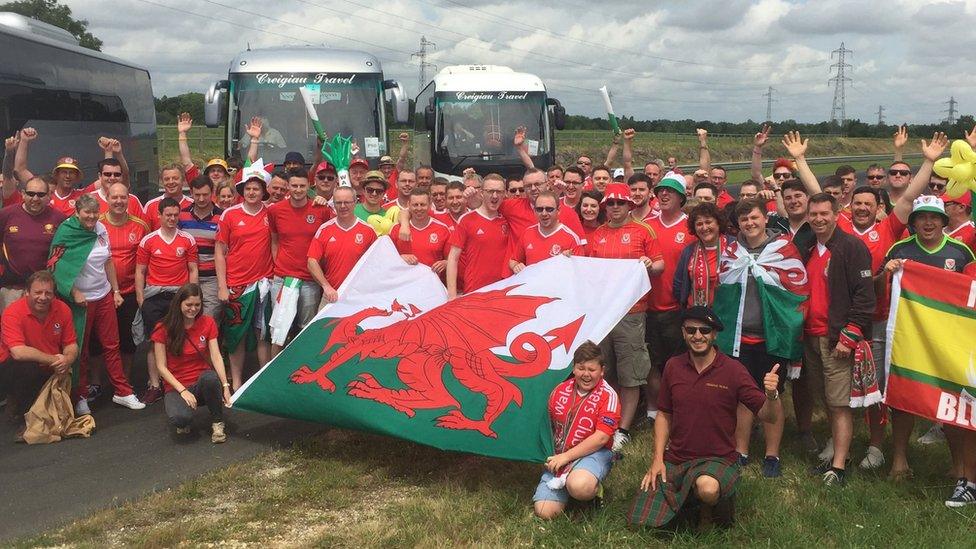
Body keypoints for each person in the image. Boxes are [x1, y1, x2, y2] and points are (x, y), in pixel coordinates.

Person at [633, 306, 781, 529]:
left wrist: (772, 395)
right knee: (641, 519)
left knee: (708, 488)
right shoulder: (673, 367)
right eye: (691, 330)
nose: (698, 336)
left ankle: (708, 505)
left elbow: (768, 416)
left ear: (714, 334)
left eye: (704, 330)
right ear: (683, 333)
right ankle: (690, 500)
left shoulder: (734, 370)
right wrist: (657, 459)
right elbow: (664, 413)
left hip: (717, 458)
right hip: (678, 457)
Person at [883, 196, 976, 504]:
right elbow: (879, 287)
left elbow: (970, 293)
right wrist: (888, 272)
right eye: (922, 217)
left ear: (943, 220)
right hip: (909, 337)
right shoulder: (900, 249)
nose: (928, 222)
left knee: (951, 399)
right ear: (914, 221)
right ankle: (899, 458)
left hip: (948, 340)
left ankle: (959, 465)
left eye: (934, 217)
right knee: (904, 395)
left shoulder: (960, 251)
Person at [718, 199, 809, 478]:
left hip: (773, 337)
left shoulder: (783, 249)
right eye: (744, 219)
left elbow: (797, 290)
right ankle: (741, 451)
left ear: (764, 218)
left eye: (754, 217)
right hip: (740, 337)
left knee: (772, 393)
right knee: (743, 396)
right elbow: (722, 289)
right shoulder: (732, 250)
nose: (749, 223)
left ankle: (772, 454)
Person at [48, 194, 145, 414]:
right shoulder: (67, 231)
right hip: (81, 301)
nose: (91, 217)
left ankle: (122, 391)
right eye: (87, 213)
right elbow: (55, 264)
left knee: (112, 345)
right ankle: (80, 395)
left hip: (103, 295)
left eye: (94, 213)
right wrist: (73, 291)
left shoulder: (101, 228)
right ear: (77, 212)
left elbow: (108, 261)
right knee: (80, 349)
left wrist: (116, 291)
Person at [585, 183, 664, 451]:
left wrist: (650, 265)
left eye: (620, 203)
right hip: (604, 313)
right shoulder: (598, 234)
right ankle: (607, 420)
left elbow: (660, 263)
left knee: (631, 372)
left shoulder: (644, 230)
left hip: (632, 312)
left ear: (630, 205)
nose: (615, 207)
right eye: (610, 203)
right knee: (607, 370)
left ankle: (623, 428)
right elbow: (589, 270)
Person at [803, 193, 875, 485]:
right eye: (814, 214)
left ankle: (839, 466)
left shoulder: (851, 247)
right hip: (810, 335)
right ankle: (836, 453)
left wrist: (849, 335)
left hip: (836, 339)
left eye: (824, 214)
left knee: (838, 403)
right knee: (826, 399)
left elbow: (865, 296)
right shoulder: (809, 246)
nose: (819, 219)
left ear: (836, 214)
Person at [533, 341, 621, 519]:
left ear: (602, 371)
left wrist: (566, 457)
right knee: (544, 512)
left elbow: (602, 438)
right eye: (581, 368)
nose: (586, 374)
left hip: (593, 453)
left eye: (592, 369)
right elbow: (544, 424)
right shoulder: (559, 390)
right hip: (560, 455)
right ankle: (567, 484)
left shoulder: (609, 395)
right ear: (573, 369)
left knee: (580, 486)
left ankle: (592, 491)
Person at [215, 165, 274, 391]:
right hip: (237, 284)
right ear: (242, 190)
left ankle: (263, 380)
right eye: (248, 188)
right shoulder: (230, 214)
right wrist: (222, 286)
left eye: (256, 189)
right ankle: (236, 380)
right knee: (235, 334)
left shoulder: (270, 213)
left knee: (263, 333)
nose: (252, 192)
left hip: (264, 283)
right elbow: (220, 251)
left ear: (263, 192)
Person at [135, 197, 199, 404]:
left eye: (175, 215)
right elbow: (140, 271)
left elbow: (192, 269)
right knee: (155, 343)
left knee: (180, 339)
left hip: (178, 297)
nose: (172, 218)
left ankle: (180, 382)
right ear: (159, 215)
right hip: (154, 297)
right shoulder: (149, 240)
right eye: (168, 215)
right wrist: (141, 300)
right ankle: (154, 384)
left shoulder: (187, 239)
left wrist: (193, 295)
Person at [0, 270, 79, 436]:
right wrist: (54, 360)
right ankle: (25, 418)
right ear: (27, 292)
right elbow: (18, 352)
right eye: (37, 292)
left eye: (47, 293)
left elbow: (71, 344)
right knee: (27, 369)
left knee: (66, 410)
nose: (43, 297)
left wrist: (67, 360)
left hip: (50, 367)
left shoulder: (62, 309)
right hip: (13, 368)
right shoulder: (12, 312)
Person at [151, 283, 231, 443]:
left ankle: (217, 422)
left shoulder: (207, 322)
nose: (193, 309)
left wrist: (225, 386)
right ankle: (184, 415)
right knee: (180, 420)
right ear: (179, 303)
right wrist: (182, 391)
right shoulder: (162, 328)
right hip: (176, 386)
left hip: (201, 381)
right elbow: (161, 367)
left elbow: (216, 356)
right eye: (188, 304)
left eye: (197, 305)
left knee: (210, 378)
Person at [267, 171, 333, 355]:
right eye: (294, 185)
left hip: (309, 279)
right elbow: (274, 240)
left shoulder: (321, 210)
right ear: (288, 186)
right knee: (279, 330)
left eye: (302, 186)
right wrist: (277, 267)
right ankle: (274, 374)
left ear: (309, 186)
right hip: (283, 279)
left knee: (305, 328)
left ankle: (301, 370)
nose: (298, 190)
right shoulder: (275, 210)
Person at [643, 172, 691, 422]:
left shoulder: (690, 227)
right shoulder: (647, 225)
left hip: (676, 308)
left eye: (669, 191)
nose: (663, 194)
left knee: (676, 364)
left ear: (681, 197)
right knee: (651, 362)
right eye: (660, 190)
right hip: (648, 306)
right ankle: (653, 409)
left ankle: (676, 408)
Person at [100, 182, 150, 382]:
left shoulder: (140, 225)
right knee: (99, 341)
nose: (119, 201)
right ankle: (97, 382)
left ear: (128, 200)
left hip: (129, 292)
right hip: (102, 293)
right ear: (107, 199)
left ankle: (125, 381)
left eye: (123, 197)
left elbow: (148, 260)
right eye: (114, 197)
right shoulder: (97, 224)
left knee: (127, 340)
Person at [0, 177, 67, 313]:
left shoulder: (59, 218)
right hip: (12, 289)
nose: (35, 198)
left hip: (45, 291)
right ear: (23, 193)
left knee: (42, 331)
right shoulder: (6, 215)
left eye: (41, 194)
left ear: (49, 196)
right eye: (31, 194)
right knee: (11, 332)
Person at [307, 187, 377, 305]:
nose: (343, 206)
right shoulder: (324, 229)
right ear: (333, 204)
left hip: (359, 297)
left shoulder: (368, 230)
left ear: (355, 202)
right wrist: (326, 287)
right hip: (331, 296)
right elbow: (311, 261)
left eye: (347, 202)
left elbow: (377, 264)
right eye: (338, 202)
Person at [446, 175, 510, 299]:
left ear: (504, 194)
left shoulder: (507, 220)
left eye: (499, 192)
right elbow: (453, 258)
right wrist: (452, 296)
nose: (495, 196)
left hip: (502, 292)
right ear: (481, 192)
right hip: (474, 291)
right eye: (490, 191)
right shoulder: (466, 220)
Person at [12, 128, 85, 217]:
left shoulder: (83, 195)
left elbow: (106, 178)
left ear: (77, 176)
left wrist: (107, 150)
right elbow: (20, 169)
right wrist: (24, 140)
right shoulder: (42, 191)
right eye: (64, 172)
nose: (67, 176)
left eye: (72, 173)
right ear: (56, 174)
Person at [179, 176, 224, 319]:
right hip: (186, 277)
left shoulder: (222, 217)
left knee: (208, 318)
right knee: (186, 319)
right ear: (191, 193)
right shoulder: (181, 215)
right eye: (197, 195)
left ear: (212, 192)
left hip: (212, 278)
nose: (201, 198)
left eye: (205, 194)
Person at [673, 202, 732, 308]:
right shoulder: (689, 251)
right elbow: (679, 284)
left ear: (718, 223)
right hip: (695, 315)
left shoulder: (732, 247)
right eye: (699, 224)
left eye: (708, 222)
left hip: (725, 313)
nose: (704, 228)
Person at [510, 191, 583, 272]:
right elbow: (513, 260)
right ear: (534, 211)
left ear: (558, 210)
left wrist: (568, 262)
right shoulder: (527, 233)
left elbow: (579, 271)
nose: (544, 213)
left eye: (549, 209)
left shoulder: (571, 238)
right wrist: (516, 266)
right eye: (539, 209)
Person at [390, 188, 451, 277]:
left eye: (422, 205)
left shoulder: (443, 229)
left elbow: (453, 259)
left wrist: (446, 263)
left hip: (432, 285)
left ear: (430, 205)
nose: (419, 208)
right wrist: (400, 258)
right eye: (415, 205)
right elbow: (386, 258)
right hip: (403, 285)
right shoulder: (397, 229)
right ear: (408, 205)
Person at [143, 165, 192, 230]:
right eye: (167, 179)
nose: (171, 182)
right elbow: (145, 233)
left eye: (175, 178)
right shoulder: (151, 206)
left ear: (183, 180)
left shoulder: (192, 204)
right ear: (162, 182)